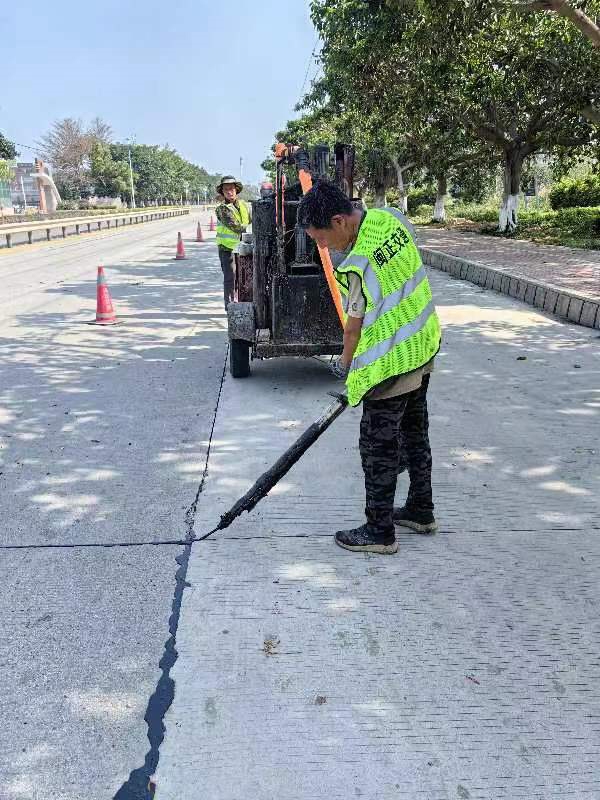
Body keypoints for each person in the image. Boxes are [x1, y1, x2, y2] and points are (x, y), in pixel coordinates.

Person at [298, 180, 442, 555]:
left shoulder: (358, 264)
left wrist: (345, 366)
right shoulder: (391, 218)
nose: (324, 247)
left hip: (390, 364)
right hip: (422, 344)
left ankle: (379, 531)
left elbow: (353, 329)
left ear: (339, 221)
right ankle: (421, 510)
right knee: (415, 434)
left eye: (322, 238)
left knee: (378, 447)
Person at [215, 176, 251, 308]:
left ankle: (241, 302)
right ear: (222, 192)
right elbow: (236, 227)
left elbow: (252, 218)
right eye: (226, 190)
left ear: (236, 190)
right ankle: (230, 306)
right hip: (227, 248)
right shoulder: (222, 209)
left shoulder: (244, 205)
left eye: (231, 189)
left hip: (242, 248)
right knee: (230, 277)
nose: (229, 192)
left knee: (243, 277)